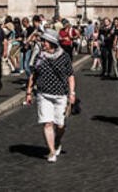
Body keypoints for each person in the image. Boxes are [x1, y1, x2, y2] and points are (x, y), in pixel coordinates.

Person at [25, 29, 76, 163]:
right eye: (42, 41)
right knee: (47, 123)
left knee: (60, 125)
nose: (42, 44)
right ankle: (51, 151)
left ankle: (57, 141)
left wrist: (72, 93)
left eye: (45, 41)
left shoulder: (64, 56)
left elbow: (70, 75)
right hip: (44, 94)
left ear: (52, 42)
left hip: (61, 95)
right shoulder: (40, 56)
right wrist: (29, 92)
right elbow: (33, 75)